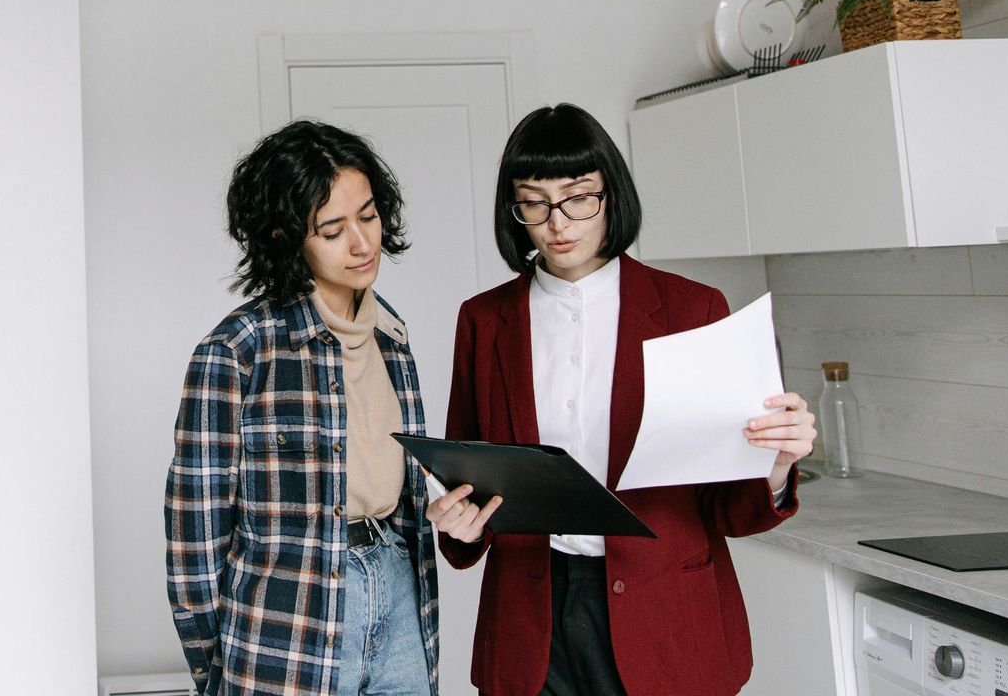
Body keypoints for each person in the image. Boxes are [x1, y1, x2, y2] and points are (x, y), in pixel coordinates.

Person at [431, 104, 816, 696]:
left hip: (666, 622)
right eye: (534, 201)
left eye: (579, 196)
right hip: (531, 625)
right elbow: (470, 480)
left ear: (611, 194)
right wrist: (458, 525)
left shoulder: (694, 310)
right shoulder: (484, 321)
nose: (558, 222)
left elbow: (726, 510)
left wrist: (778, 465)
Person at [165, 119, 495, 696]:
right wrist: (217, 675)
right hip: (287, 625)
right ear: (284, 236)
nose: (363, 243)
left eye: (368, 216)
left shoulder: (393, 339)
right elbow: (195, 544)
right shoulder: (238, 353)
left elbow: (402, 493)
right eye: (333, 229)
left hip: (397, 589)